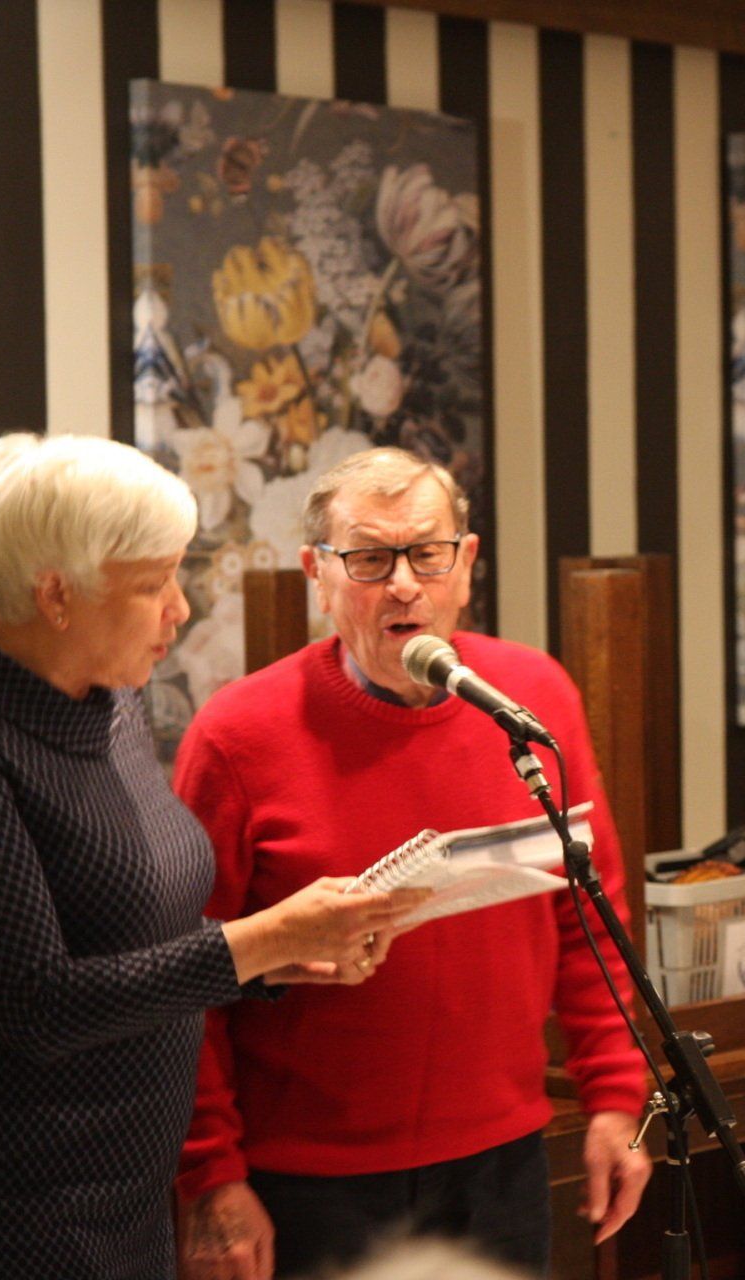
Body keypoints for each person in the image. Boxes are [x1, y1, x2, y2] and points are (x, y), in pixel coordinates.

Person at [0, 434, 417, 1279]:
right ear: (56, 594)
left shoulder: (106, 698)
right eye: (154, 584)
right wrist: (260, 939)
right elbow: (40, 1005)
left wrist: (280, 957)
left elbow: (131, 926)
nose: (179, 609)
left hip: (119, 1196)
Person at [174, 448, 650, 1278]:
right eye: (369, 558)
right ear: (318, 574)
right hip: (305, 1183)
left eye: (427, 553)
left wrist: (614, 1097)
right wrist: (210, 1173)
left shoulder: (532, 699)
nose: (403, 585)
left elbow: (590, 917)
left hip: (500, 1164)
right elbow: (186, 980)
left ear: (465, 565)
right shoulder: (237, 734)